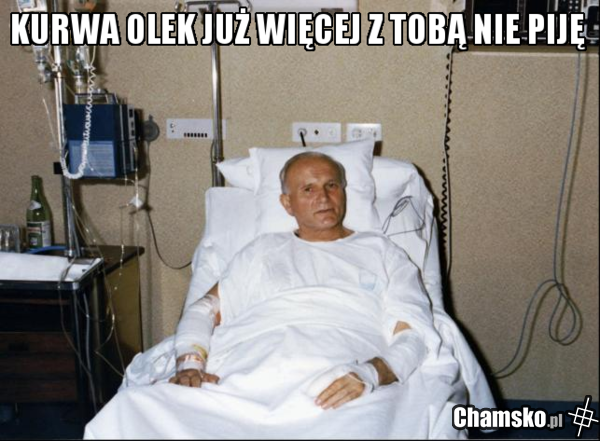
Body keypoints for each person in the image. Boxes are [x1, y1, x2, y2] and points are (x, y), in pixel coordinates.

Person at [84, 152, 465, 439]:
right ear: (286, 203)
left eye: (332, 185)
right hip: (248, 371)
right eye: (308, 189)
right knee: (134, 409)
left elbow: (414, 334)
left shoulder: (383, 252)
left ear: (344, 192)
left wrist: (371, 373)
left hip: (340, 372)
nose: (323, 197)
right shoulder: (262, 250)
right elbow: (205, 309)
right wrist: (190, 363)